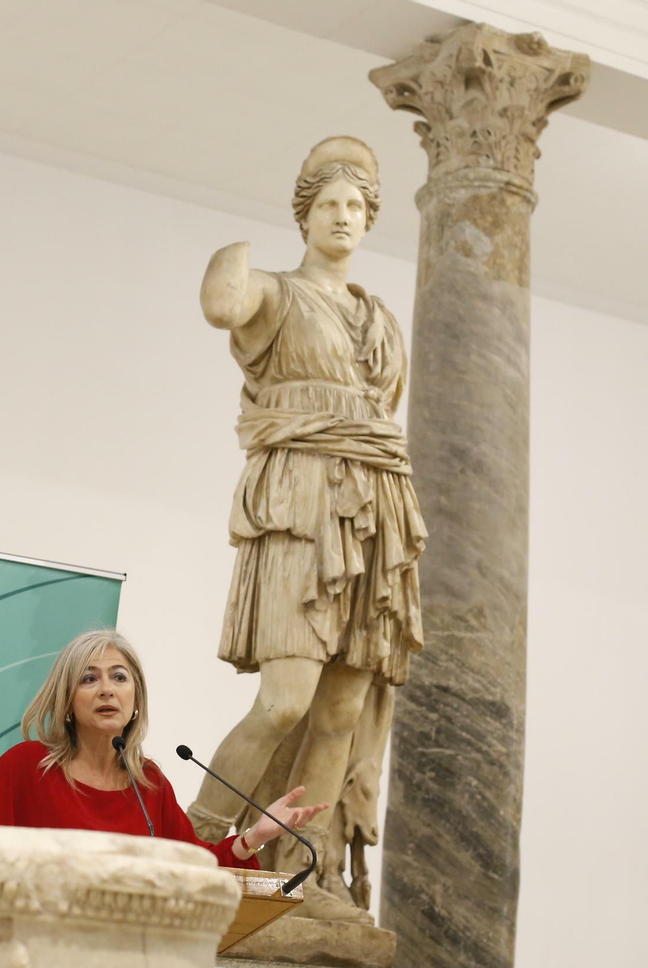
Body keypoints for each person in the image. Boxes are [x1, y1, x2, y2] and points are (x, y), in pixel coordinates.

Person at [188, 136, 427, 921]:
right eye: (328, 204)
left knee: (340, 714)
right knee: (285, 701)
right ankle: (198, 846)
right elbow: (223, 303)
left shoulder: (379, 316)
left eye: (356, 206)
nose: (343, 217)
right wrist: (235, 249)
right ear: (305, 215)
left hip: (374, 509)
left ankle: (305, 876)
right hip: (299, 505)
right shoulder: (276, 293)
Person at [0, 629, 325, 868]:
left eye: (119, 677)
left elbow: (196, 867)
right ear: (67, 701)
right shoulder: (29, 766)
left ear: (135, 699)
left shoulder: (148, 784)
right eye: (89, 679)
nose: (106, 688)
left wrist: (254, 835)